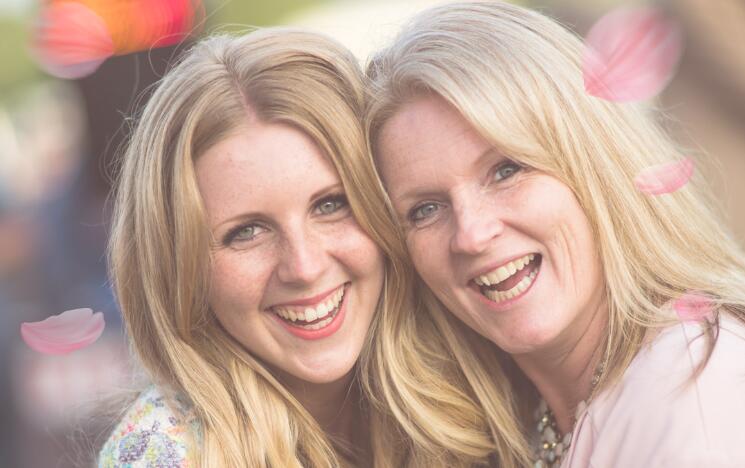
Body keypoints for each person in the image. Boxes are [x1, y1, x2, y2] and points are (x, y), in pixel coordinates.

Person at [365, 2, 745, 467]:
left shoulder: (693, 389)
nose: (471, 234)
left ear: (592, 165)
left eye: (506, 170)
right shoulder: (538, 412)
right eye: (425, 209)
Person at [99, 28, 503, 467]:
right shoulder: (167, 456)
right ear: (177, 267)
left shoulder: (481, 377)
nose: (305, 266)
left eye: (330, 205)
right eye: (247, 232)